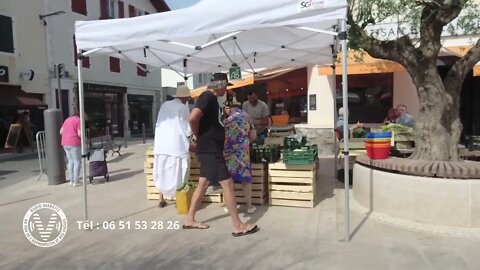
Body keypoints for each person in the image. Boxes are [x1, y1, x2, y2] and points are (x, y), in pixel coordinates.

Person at [185, 72, 258, 237]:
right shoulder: (207, 96)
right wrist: (198, 135)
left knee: (203, 183)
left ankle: (189, 219)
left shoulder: (212, 100)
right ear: (222, 84)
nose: (226, 90)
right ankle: (238, 225)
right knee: (228, 184)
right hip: (210, 148)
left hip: (210, 148)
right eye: (226, 86)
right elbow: (193, 118)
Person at [153, 85, 195, 208]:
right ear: (186, 97)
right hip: (177, 145)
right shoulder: (183, 108)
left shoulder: (165, 104)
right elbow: (187, 128)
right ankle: (179, 200)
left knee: (163, 170)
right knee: (180, 172)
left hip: (161, 144)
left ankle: (161, 198)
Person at [223, 101, 257, 214]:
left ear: (229, 108)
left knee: (229, 180)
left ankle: (230, 206)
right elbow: (253, 136)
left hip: (228, 153)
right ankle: (250, 207)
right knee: (245, 179)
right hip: (243, 153)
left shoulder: (226, 120)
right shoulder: (247, 117)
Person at [60, 110, 82, 187]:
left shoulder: (67, 120)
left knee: (70, 161)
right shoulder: (78, 120)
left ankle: (71, 180)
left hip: (65, 143)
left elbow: (61, 132)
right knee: (77, 161)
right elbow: (79, 134)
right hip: (74, 143)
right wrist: (84, 138)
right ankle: (76, 181)